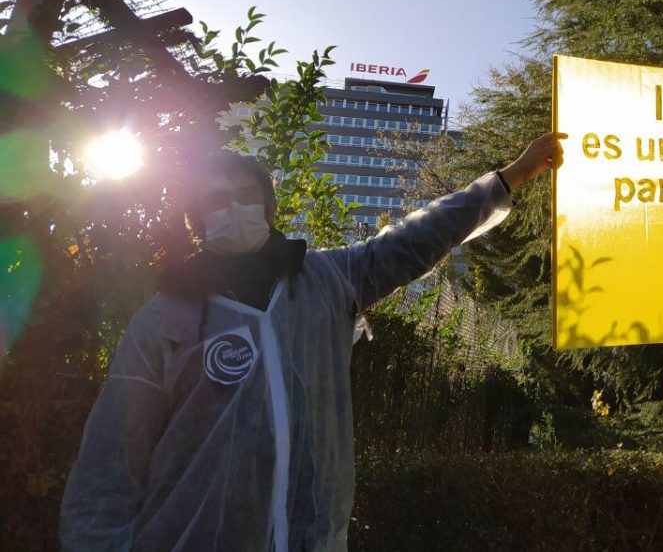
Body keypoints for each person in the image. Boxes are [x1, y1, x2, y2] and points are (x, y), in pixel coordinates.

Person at [60, 132, 564, 552]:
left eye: (246, 195)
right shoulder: (165, 316)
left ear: (269, 207)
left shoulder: (328, 279)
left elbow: (415, 240)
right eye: (215, 201)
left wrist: (508, 178)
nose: (233, 208)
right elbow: (109, 462)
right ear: (196, 220)